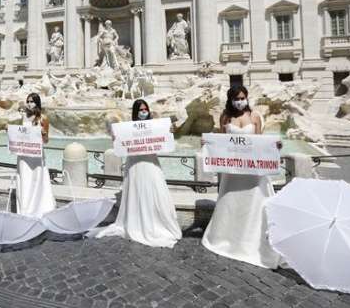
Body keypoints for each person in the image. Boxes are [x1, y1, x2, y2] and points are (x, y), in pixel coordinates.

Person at [201, 85, 282, 269]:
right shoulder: (225, 117)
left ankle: (252, 242)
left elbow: (261, 141)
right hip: (232, 170)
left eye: (243, 97)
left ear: (247, 98)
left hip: (252, 170)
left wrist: (274, 146)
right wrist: (207, 142)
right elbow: (221, 142)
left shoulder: (254, 116)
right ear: (230, 100)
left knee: (253, 202)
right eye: (236, 98)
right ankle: (228, 239)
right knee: (231, 202)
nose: (240, 101)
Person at [94, 100, 182, 247]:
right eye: (141, 110)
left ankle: (158, 223)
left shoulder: (155, 125)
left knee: (155, 191)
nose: (143, 112)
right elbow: (120, 144)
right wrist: (115, 138)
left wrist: (169, 132)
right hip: (134, 163)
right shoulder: (128, 127)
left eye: (145, 109)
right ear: (136, 112)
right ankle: (137, 224)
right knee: (136, 192)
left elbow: (163, 140)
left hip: (150, 162)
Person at [15, 93, 56, 217]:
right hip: (24, 155)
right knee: (25, 180)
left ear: (37, 103)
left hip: (36, 155)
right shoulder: (24, 117)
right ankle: (25, 209)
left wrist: (43, 134)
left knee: (37, 180)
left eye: (32, 101)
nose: (29, 104)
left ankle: (40, 208)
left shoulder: (43, 119)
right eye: (28, 101)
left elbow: (46, 141)